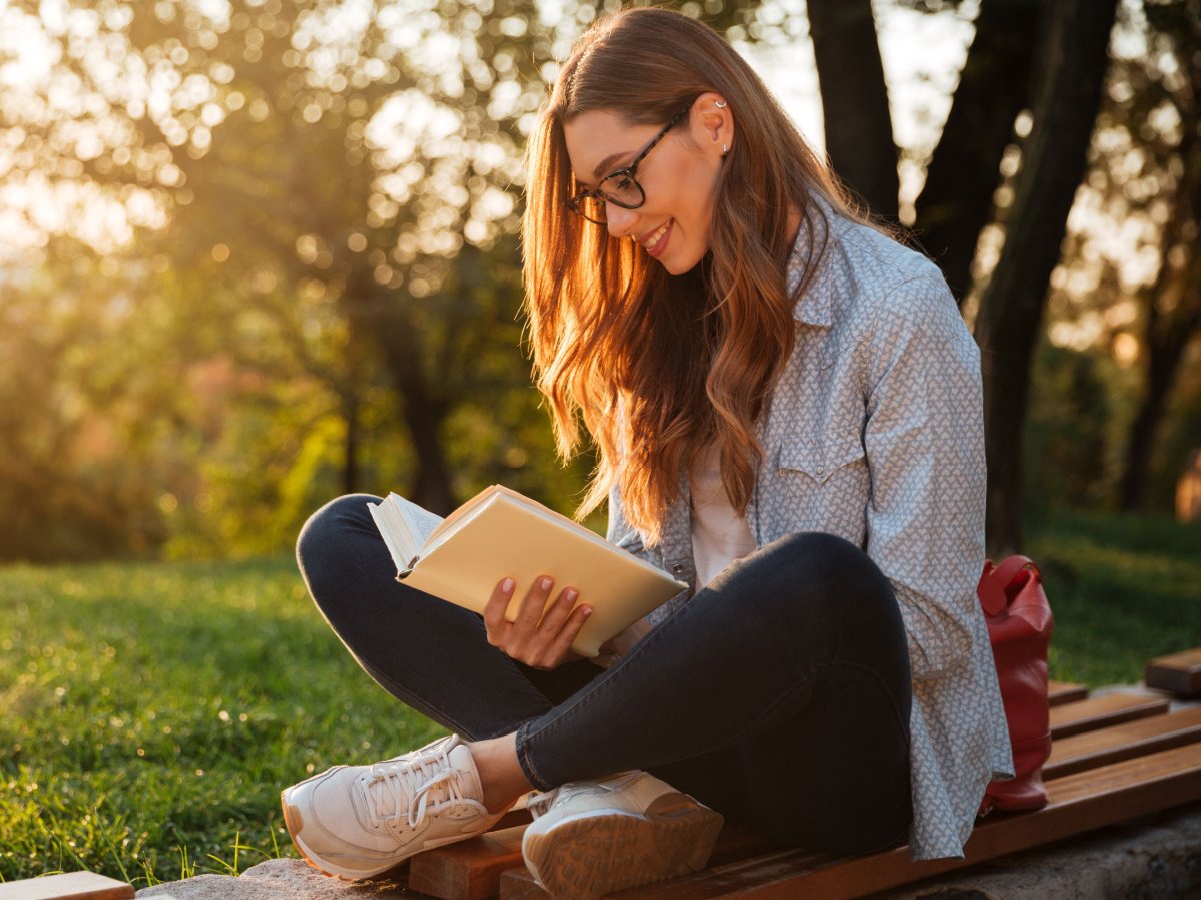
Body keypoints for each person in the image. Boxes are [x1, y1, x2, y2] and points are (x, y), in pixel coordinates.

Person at [282, 7, 1012, 897]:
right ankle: (603, 786)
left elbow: (930, 630)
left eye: (625, 178)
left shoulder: (897, 310)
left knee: (817, 576)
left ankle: (492, 776)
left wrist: (710, 646)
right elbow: (643, 579)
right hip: (668, 733)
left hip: (836, 769)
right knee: (349, 537)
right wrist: (574, 619)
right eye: (597, 196)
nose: (618, 221)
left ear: (714, 123)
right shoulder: (656, 323)